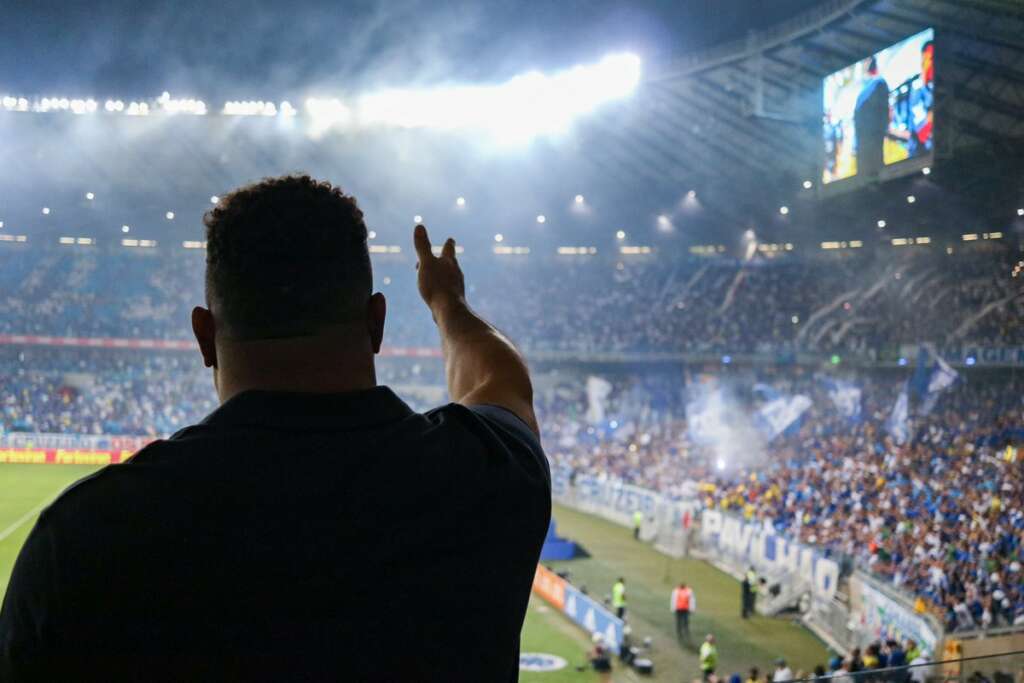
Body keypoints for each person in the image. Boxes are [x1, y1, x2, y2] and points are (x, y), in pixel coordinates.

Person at [0, 176, 551, 682]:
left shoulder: (81, 538)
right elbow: (502, 383)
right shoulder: (487, 475)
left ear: (204, 336)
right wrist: (447, 303)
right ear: (377, 322)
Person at [853, 55, 891, 178]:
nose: (863, 64)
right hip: (866, 143)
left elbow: (884, 111)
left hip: (872, 141)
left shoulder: (878, 83)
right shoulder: (866, 89)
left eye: (866, 61)